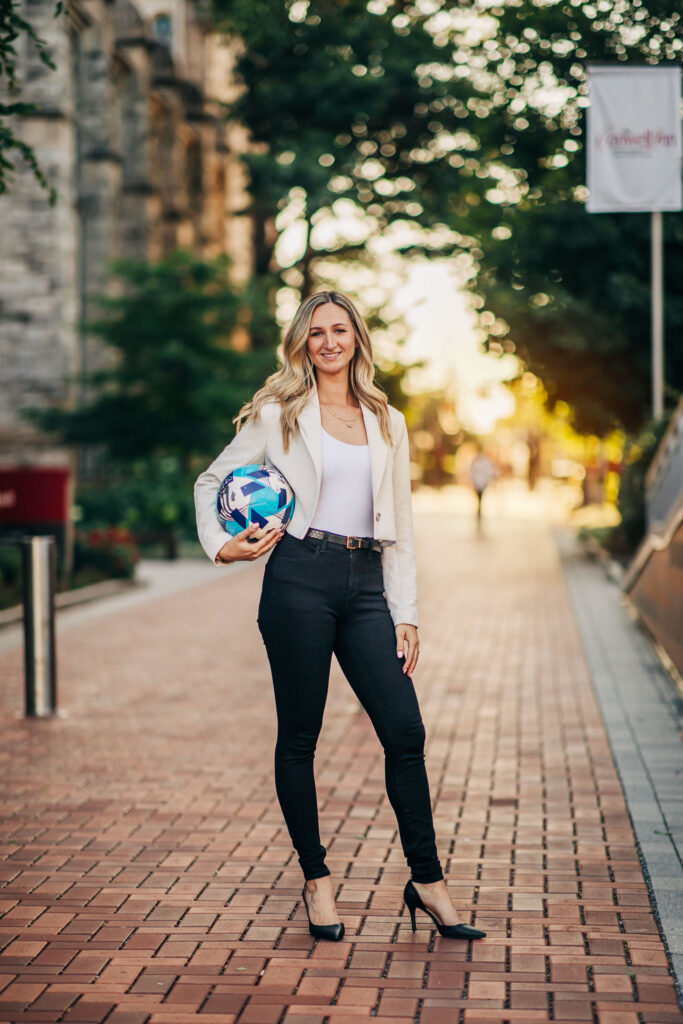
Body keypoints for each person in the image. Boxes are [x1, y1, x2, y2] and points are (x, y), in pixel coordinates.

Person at [194, 290, 485, 943]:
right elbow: (210, 483)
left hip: (366, 587)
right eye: (317, 332)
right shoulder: (279, 415)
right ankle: (316, 880)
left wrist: (405, 612)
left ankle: (427, 881)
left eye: (339, 329)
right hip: (298, 576)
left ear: (356, 337)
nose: (329, 341)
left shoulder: (387, 419)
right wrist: (222, 545)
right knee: (300, 735)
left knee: (404, 732)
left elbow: (400, 525)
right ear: (302, 343)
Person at [469, 448, 498, 527]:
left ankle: (479, 509)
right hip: (480, 483)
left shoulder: (479, 463)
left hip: (480, 483)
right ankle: (479, 509)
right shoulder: (482, 463)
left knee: (479, 497)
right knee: (479, 497)